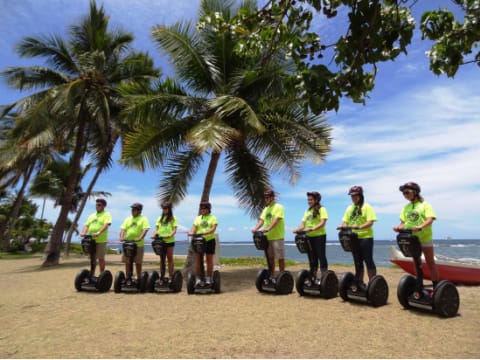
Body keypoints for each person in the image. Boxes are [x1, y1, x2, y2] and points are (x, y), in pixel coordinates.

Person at [393, 181, 439, 287]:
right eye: (403, 193)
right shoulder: (406, 207)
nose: (405, 195)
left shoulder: (425, 205)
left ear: (415, 192)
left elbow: (430, 219)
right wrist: (398, 227)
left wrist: (420, 227)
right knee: (416, 263)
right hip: (412, 239)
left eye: (407, 192)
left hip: (425, 238)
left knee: (430, 262)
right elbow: (404, 223)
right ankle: (419, 285)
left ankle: (436, 285)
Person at [337, 186, 377, 285]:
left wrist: (358, 227)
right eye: (351, 196)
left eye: (355, 195)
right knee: (357, 261)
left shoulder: (367, 207)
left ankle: (372, 284)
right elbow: (345, 222)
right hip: (353, 238)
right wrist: (342, 226)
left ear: (360, 195)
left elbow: (370, 222)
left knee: (368, 260)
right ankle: (360, 282)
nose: (353, 198)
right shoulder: (349, 208)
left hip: (366, 237)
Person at [293, 191, 329, 283]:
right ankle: (312, 277)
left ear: (316, 200)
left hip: (319, 236)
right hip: (308, 237)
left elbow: (322, 223)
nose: (309, 201)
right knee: (312, 257)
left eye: (311, 199)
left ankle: (324, 277)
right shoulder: (307, 211)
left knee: (321, 256)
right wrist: (298, 229)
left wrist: (312, 229)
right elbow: (303, 225)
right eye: (308, 200)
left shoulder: (322, 209)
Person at [251, 189, 286, 281]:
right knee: (270, 258)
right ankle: (272, 276)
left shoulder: (279, 207)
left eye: (267, 197)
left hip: (278, 237)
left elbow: (277, 219)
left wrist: (268, 228)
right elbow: (261, 221)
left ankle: (282, 276)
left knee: (280, 258)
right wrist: (256, 228)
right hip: (267, 237)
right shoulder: (266, 209)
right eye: (265, 198)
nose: (266, 199)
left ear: (272, 198)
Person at [188, 201, 218, 286]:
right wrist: (191, 233)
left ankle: (209, 278)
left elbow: (213, 228)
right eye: (201, 208)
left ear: (208, 209)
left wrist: (207, 232)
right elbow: (194, 228)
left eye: (205, 208)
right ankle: (198, 278)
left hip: (209, 241)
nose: (203, 209)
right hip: (199, 241)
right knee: (198, 260)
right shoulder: (198, 218)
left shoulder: (212, 218)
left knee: (209, 260)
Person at [119, 203, 150, 283]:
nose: (132, 211)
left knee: (138, 262)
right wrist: (121, 237)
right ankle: (127, 277)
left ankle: (139, 278)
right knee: (127, 262)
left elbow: (145, 229)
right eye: (132, 209)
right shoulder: (128, 219)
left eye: (135, 209)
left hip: (138, 245)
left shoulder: (143, 219)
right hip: (127, 244)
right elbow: (123, 229)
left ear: (139, 211)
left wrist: (140, 237)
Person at [80, 198, 112, 275]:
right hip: (91, 240)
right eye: (96, 205)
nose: (97, 206)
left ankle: (102, 274)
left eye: (99, 205)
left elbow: (106, 224)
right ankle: (92, 274)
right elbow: (86, 225)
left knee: (101, 258)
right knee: (93, 258)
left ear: (103, 206)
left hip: (101, 240)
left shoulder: (106, 214)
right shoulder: (92, 215)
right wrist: (83, 232)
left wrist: (99, 232)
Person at [151, 201, 178, 283]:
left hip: (169, 241)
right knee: (162, 259)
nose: (164, 210)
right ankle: (162, 276)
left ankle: (170, 276)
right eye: (163, 208)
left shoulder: (173, 218)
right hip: (160, 241)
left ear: (169, 209)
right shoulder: (160, 218)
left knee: (169, 258)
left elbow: (174, 230)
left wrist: (170, 235)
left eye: (166, 208)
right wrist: (153, 234)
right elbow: (156, 229)